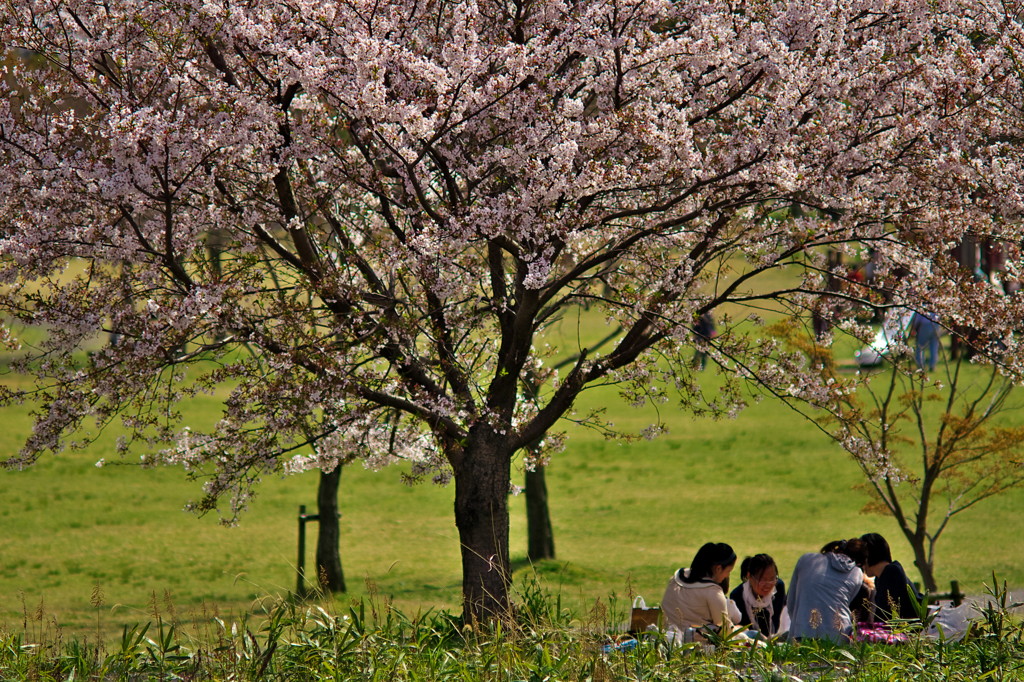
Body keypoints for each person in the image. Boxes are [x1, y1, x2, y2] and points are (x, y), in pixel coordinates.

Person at [787, 538, 869, 642]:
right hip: (839, 636)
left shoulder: (806, 559)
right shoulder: (857, 573)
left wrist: (800, 623)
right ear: (860, 562)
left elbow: (791, 602)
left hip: (803, 632)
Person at [662, 542, 739, 635]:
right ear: (718, 568)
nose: (727, 575)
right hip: (695, 643)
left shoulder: (675, 579)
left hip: (667, 636)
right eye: (728, 571)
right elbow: (725, 630)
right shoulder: (713, 592)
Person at [860, 532, 922, 623]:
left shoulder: (891, 573)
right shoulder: (882, 576)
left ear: (867, 556)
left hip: (909, 632)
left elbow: (885, 614)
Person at [728, 553, 789, 637]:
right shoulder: (737, 596)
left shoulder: (778, 587)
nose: (768, 584)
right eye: (762, 580)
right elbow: (741, 629)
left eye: (772, 579)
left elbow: (777, 619)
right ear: (749, 576)